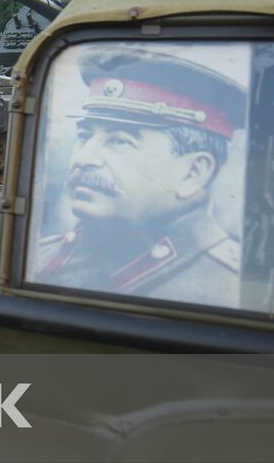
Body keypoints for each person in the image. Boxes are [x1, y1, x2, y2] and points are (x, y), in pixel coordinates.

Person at [30, 47, 246, 307]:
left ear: (193, 173)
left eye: (120, 141)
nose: (85, 158)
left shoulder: (232, 291)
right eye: (85, 136)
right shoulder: (42, 254)